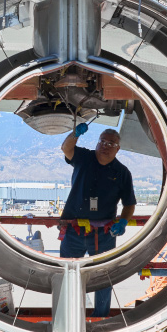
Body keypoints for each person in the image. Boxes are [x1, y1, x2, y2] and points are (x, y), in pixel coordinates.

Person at [59, 123, 137, 318]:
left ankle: (99, 317)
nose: (105, 145)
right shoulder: (84, 158)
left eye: (111, 143)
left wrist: (123, 222)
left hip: (104, 234)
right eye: (102, 141)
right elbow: (66, 148)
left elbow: (129, 204)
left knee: (104, 277)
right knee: (67, 275)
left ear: (118, 149)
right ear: (97, 143)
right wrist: (74, 134)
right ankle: (68, 317)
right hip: (73, 230)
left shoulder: (122, 173)